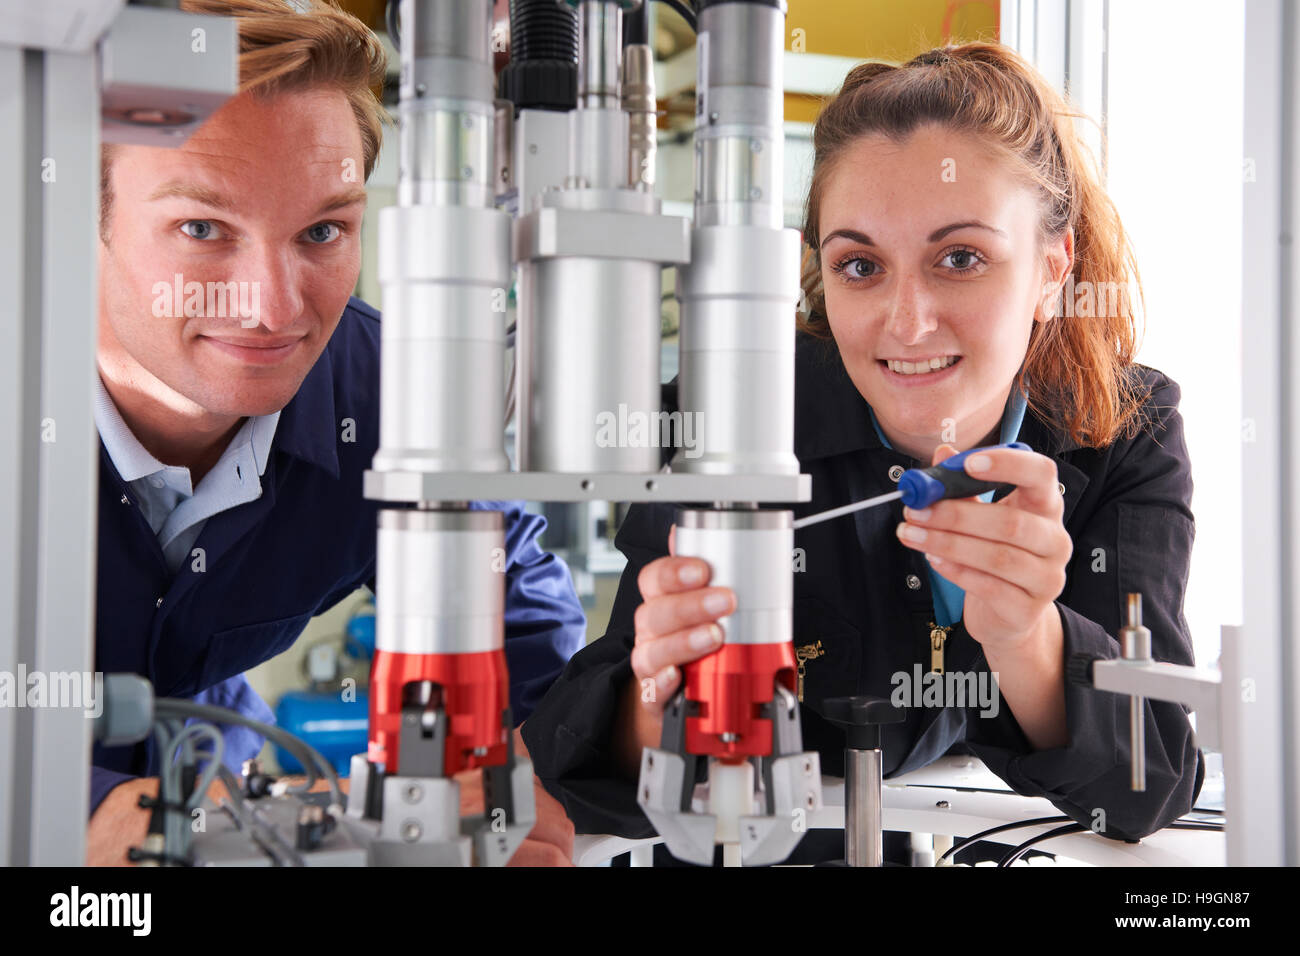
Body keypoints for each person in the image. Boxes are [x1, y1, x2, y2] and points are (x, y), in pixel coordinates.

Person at [522, 42, 1204, 857]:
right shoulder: (743, 412)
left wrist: (1025, 636)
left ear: (1053, 268)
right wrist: (656, 691)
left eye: (960, 258)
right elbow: (596, 772)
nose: (908, 322)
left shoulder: (1124, 428)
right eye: (860, 265)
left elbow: (1150, 781)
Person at [89, 0, 585, 866]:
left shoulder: (387, 396)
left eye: (323, 230)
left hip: (214, 784)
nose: (276, 309)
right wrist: (87, 810)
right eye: (202, 229)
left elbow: (515, 596)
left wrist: (518, 764)